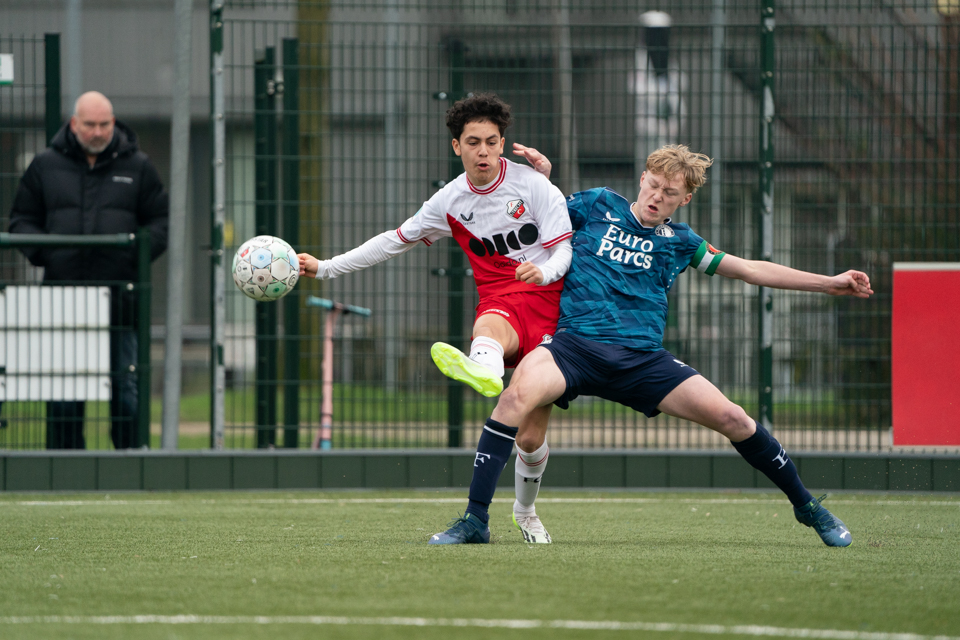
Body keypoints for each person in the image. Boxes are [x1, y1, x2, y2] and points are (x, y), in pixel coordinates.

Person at [430, 143, 873, 547]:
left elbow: (748, 269)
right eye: (655, 185)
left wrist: (828, 282)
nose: (658, 195)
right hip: (573, 348)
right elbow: (535, 219)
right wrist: (538, 179)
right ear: (642, 179)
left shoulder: (681, 242)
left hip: (642, 361)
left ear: (684, 200)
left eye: (670, 192)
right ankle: (475, 520)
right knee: (514, 399)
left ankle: (808, 507)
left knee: (732, 417)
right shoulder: (597, 204)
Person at [298, 93, 572, 541]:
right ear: (456, 147)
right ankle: (483, 370)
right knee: (487, 327)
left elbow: (565, 246)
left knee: (528, 438)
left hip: (549, 303)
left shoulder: (534, 185)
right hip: (500, 300)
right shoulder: (449, 201)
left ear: (503, 144)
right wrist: (327, 267)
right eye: (472, 142)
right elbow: (393, 239)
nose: (482, 151)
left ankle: (526, 512)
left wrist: (543, 269)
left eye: (490, 141)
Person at [8, 91, 169, 449]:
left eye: (103, 124)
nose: (97, 132)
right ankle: (66, 470)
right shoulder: (44, 165)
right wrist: (48, 254)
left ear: (113, 123)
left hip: (120, 302)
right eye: (89, 124)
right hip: (63, 302)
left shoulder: (139, 167)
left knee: (126, 391)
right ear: (74, 124)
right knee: (64, 392)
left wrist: (133, 254)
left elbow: (159, 223)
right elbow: (21, 221)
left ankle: (131, 469)